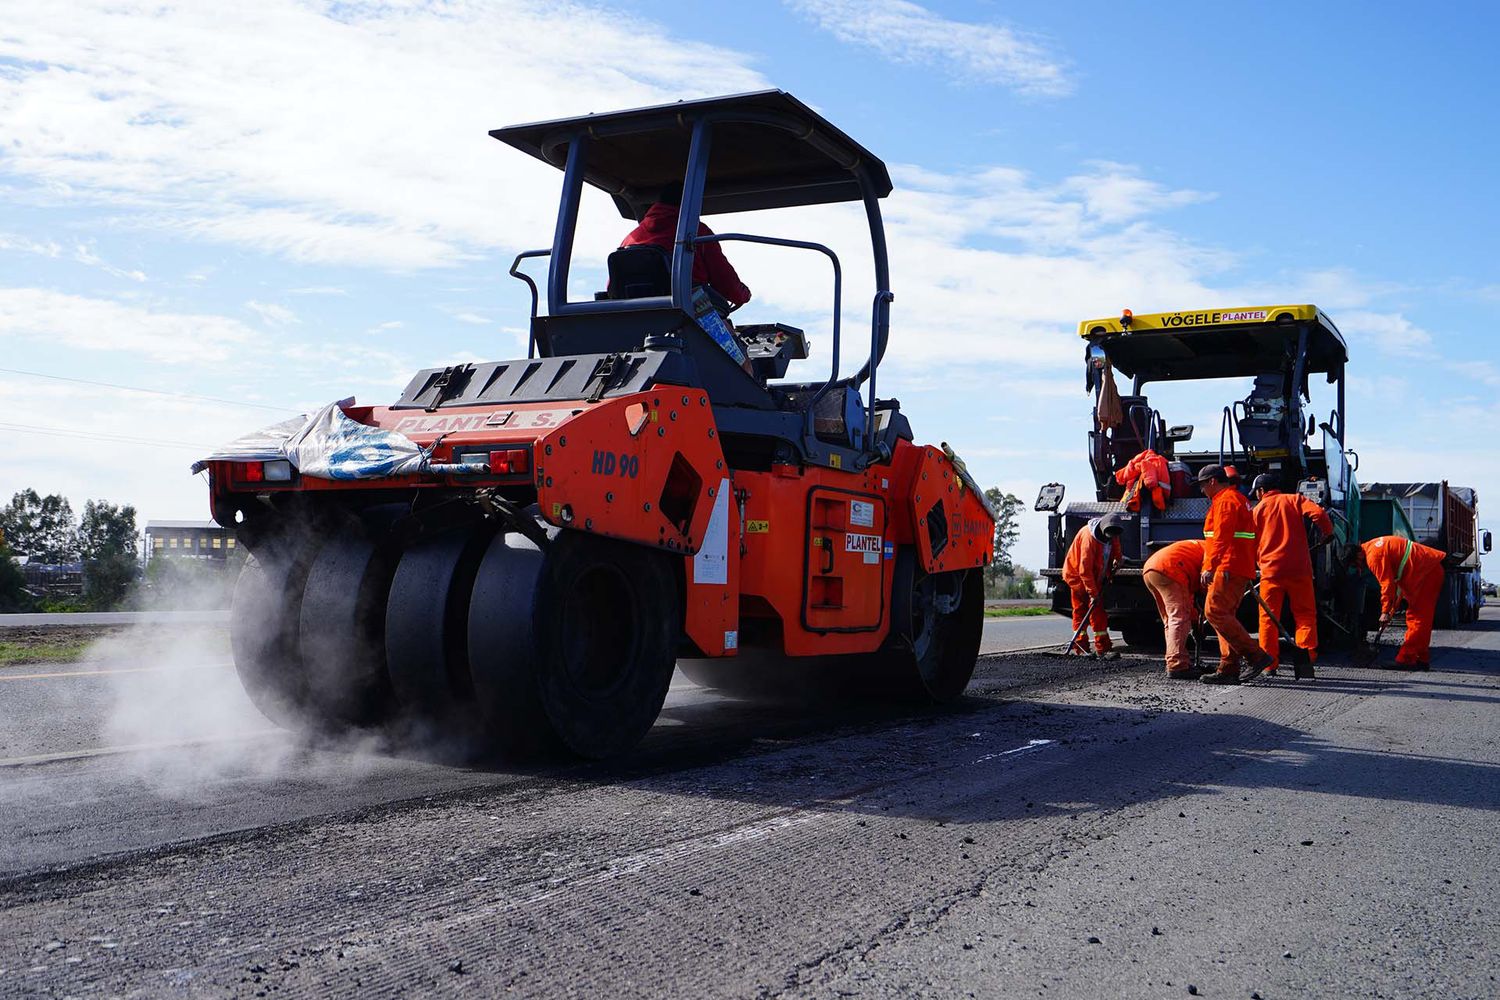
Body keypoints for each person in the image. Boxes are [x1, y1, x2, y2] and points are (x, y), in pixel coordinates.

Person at [1197, 465, 1274, 684]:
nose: (1201, 490)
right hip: (1235, 566)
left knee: (1215, 612)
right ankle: (1229, 667)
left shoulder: (1226, 501)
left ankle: (1256, 656)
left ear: (1213, 481)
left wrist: (1210, 566)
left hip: (1227, 566)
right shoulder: (1237, 500)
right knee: (1224, 617)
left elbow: (1221, 537)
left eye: (1203, 485)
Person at [1250, 474, 1333, 674]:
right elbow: (1320, 514)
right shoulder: (1295, 500)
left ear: (1261, 491)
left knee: (1269, 618)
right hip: (1299, 570)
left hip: (1271, 571)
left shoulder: (1257, 510)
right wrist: (1327, 533)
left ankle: (1269, 664)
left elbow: (1250, 541)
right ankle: (1306, 660)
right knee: (1304, 615)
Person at [621, 185, 752, 308]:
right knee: (719, 320)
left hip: (637, 313)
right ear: (691, 204)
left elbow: (614, 285)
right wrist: (742, 294)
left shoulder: (630, 239)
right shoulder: (695, 231)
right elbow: (724, 280)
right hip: (686, 309)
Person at [1357, 535, 1447, 669]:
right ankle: (1421, 658)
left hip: (1426, 573)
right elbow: (1396, 586)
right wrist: (1390, 611)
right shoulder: (1372, 547)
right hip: (1425, 571)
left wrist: (1385, 612)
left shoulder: (1373, 557)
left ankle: (1407, 659)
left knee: (1418, 618)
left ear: (1358, 556)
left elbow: (1387, 585)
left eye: (1356, 564)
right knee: (1419, 618)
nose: (1359, 568)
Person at [1142, 539, 1207, 678]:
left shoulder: (1199, 547)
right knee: (1179, 617)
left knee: (1170, 619)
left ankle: (1177, 660)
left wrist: (1196, 624)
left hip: (1151, 569)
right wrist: (1197, 626)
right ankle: (1177, 665)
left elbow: (1191, 601)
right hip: (1171, 568)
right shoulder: (1214, 552)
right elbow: (1205, 584)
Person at [1061, 514, 1123, 656]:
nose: (1111, 538)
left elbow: (1116, 547)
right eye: (1109, 536)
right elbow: (1084, 570)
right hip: (1077, 577)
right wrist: (1093, 594)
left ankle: (1103, 648)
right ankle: (1080, 647)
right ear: (1102, 530)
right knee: (1081, 611)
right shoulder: (1089, 539)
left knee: (1098, 612)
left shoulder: (1112, 531)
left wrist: (1118, 559)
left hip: (1095, 577)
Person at [1115, 447, 1171, 513]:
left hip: (1153, 492)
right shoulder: (1159, 460)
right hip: (1161, 494)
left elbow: (1150, 481)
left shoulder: (1145, 462)